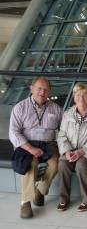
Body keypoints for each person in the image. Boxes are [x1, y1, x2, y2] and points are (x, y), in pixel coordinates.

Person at [9, 77, 62, 218]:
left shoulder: (55, 108)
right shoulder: (20, 107)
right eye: (39, 88)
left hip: (48, 144)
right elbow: (13, 132)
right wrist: (30, 148)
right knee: (30, 164)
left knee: (56, 163)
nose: (42, 92)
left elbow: (63, 130)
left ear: (49, 91)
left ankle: (40, 191)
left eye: (45, 89)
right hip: (26, 144)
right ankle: (25, 202)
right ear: (31, 88)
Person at [57, 83, 87, 212]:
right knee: (62, 164)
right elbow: (62, 135)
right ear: (74, 97)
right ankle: (64, 199)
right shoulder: (67, 114)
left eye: (84, 94)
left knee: (81, 165)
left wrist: (82, 151)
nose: (81, 97)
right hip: (70, 150)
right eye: (78, 94)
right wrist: (67, 151)